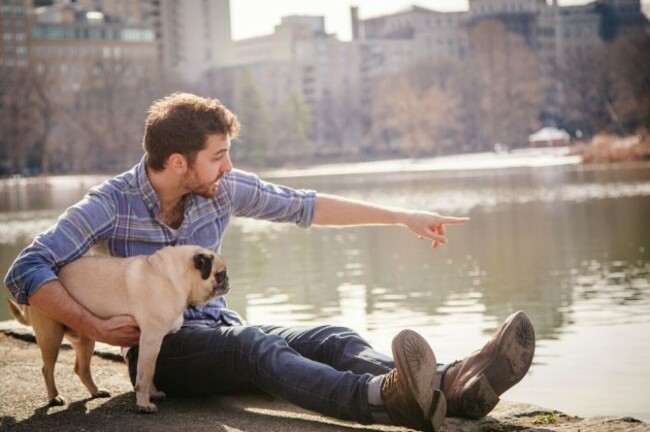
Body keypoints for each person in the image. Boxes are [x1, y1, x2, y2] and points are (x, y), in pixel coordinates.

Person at [4, 93, 535, 431]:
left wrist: (399, 215)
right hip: (166, 353)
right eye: (219, 155)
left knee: (334, 336)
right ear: (176, 163)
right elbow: (26, 270)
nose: (229, 166)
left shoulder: (220, 189)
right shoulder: (108, 204)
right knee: (254, 346)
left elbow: (304, 206)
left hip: (222, 330)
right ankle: (379, 400)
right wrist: (94, 326)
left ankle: (454, 384)